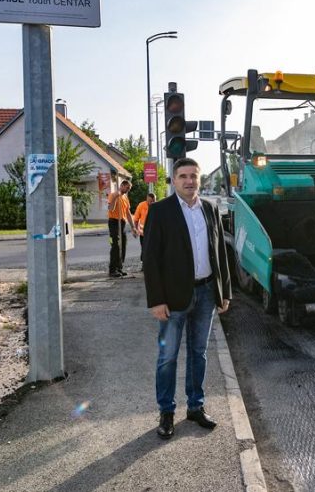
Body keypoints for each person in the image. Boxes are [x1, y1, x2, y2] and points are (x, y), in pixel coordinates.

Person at [142, 157, 232, 439]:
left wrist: (224, 291)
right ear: (173, 179)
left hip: (206, 293)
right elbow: (150, 259)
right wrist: (156, 300)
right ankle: (166, 412)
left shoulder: (210, 208)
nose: (189, 180)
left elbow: (220, 252)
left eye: (194, 175)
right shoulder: (160, 211)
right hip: (172, 298)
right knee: (167, 357)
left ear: (199, 179)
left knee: (199, 353)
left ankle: (195, 407)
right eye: (183, 176)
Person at [107, 180, 137, 278]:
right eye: (127, 188)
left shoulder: (125, 198)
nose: (128, 190)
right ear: (122, 185)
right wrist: (116, 196)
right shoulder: (113, 195)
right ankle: (112, 270)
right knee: (115, 245)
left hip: (122, 223)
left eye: (129, 189)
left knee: (123, 245)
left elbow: (128, 213)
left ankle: (119, 268)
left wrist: (133, 227)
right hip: (114, 222)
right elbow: (111, 208)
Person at [133, 193, 156, 260]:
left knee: (153, 248)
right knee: (144, 248)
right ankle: (144, 264)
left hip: (154, 232)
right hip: (143, 233)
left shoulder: (157, 206)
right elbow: (136, 219)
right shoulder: (141, 205)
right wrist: (135, 230)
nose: (152, 203)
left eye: (153, 201)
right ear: (147, 199)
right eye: (150, 201)